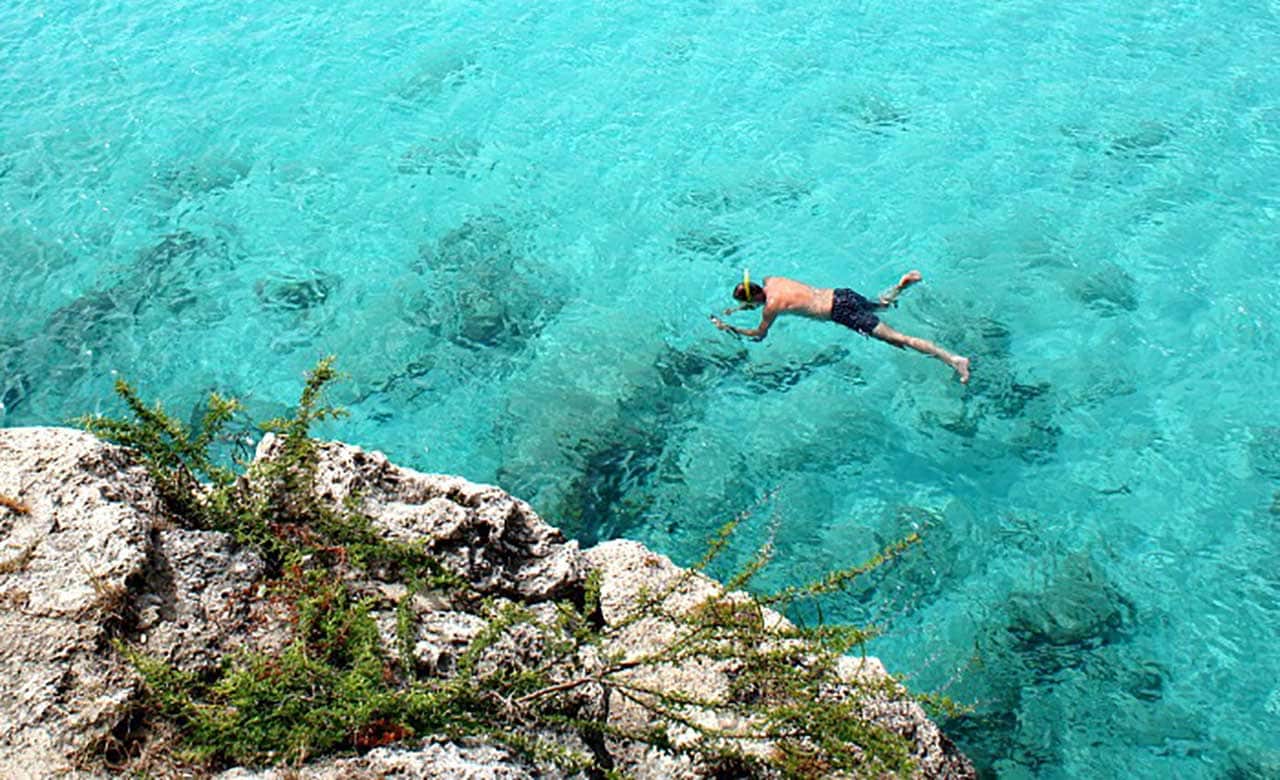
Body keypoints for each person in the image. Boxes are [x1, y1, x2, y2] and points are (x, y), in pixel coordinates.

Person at [710, 270, 971, 383]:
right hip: (841, 294)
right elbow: (763, 296)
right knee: (879, 305)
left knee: (899, 339)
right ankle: (901, 286)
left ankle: (954, 359)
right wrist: (741, 307)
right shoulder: (773, 280)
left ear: (755, 299)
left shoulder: (770, 307)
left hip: (839, 312)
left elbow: (759, 335)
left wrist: (730, 328)